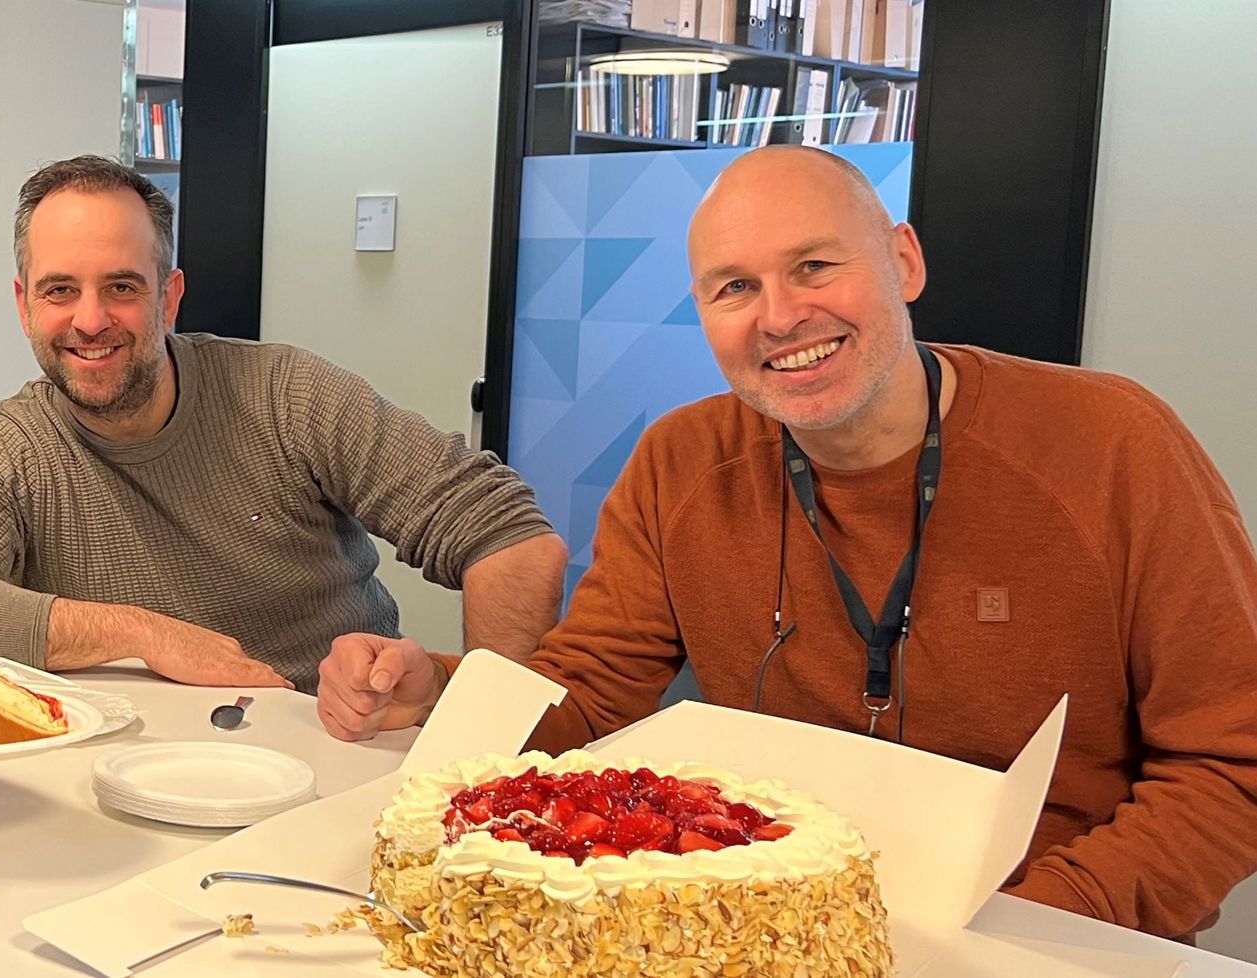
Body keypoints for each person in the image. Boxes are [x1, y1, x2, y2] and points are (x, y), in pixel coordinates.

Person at [317, 145, 1257, 940]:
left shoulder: (1110, 444)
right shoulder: (682, 460)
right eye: (735, 288)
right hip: (760, 917)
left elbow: (1231, 763)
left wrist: (1024, 925)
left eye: (814, 267)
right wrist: (439, 689)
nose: (778, 317)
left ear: (903, 262)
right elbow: (595, 693)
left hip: (1039, 929)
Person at [0, 155, 569, 691]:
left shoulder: (286, 395)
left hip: (331, 746)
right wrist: (140, 634)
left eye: (122, 288)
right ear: (23, 305)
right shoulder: (9, 449)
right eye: (60, 291)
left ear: (169, 296)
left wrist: (489, 747)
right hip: (125, 779)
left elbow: (510, 540)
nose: (90, 319)